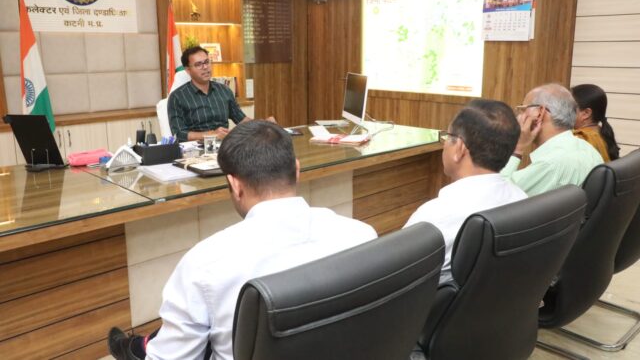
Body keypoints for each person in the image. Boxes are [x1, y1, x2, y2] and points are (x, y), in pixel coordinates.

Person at [108, 120, 377, 360]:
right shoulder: (362, 235)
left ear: (235, 185)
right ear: (296, 170)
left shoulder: (204, 264)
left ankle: (139, 348)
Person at [404, 99, 527, 284]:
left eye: (447, 137)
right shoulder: (521, 199)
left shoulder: (434, 217)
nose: (445, 144)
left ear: (460, 148)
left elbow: (392, 276)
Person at [501, 83, 604, 196]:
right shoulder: (589, 149)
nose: (519, 116)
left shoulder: (550, 164)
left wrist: (517, 148)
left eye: (523, 109)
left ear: (540, 113)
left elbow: (498, 196)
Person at [168, 46, 250, 142]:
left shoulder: (224, 90)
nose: (205, 67)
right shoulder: (177, 97)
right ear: (188, 70)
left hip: (224, 145)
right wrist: (212, 135)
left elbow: (242, 120)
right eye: (198, 64)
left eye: (207, 62)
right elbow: (178, 134)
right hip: (195, 148)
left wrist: (261, 125)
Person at [571, 84, 620, 162]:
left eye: (568, 107)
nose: (564, 111)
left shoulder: (579, 139)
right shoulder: (601, 131)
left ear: (586, 113)